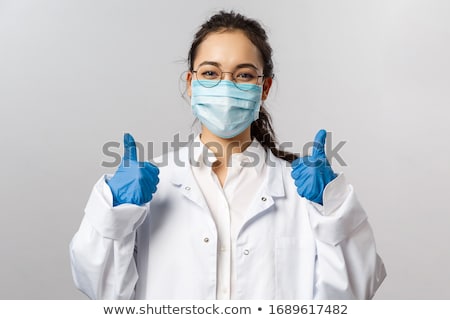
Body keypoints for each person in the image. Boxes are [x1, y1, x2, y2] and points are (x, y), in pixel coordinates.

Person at [69, 10, 386, 299]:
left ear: (264, 88)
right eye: (210, 73)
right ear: (191, 83)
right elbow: (102, 292)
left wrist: (332, 207)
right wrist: (115, 213)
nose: (226, 85)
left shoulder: (303, 191)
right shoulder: (151, 187)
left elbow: (352, 297)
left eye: (244, 75)